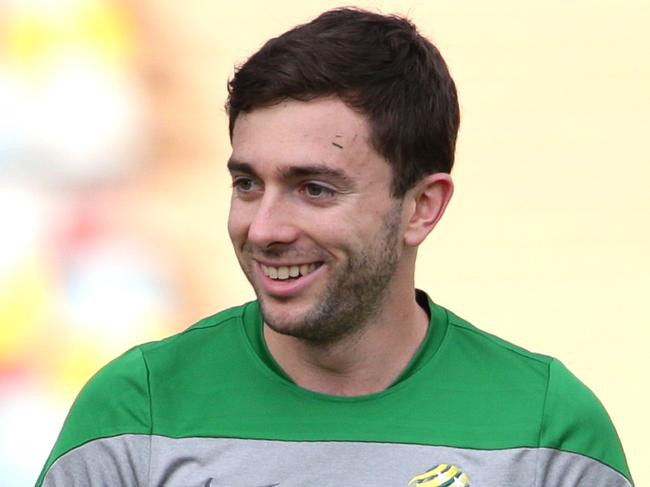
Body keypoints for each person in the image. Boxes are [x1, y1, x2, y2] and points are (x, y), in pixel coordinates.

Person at [36, 7, 633, 487]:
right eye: (247, 183)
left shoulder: (544, 428)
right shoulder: (135, 413)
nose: (265, 228)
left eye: (314, 188)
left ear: (422, 207)